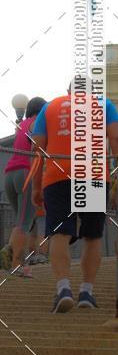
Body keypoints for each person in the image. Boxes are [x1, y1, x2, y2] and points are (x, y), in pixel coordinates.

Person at [31, 85, 118, 312]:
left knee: (60, 234)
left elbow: (37, 150)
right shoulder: (104, 104)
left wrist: (36, 187)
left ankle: (63, 288)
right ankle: (86, 292)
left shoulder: (49, 107)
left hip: (57, 175)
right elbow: (117, 140)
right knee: (92, 236)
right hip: (92, 174)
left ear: (69, 90)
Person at [4, 96, 47, 278]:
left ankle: (10, 256)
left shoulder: (21, 125)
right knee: (24, 223)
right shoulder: (37, 123)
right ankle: (16, 265)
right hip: (26, 173)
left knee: (21, 222)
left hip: (9, 174)